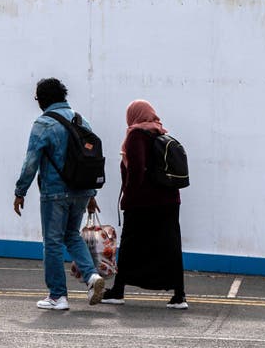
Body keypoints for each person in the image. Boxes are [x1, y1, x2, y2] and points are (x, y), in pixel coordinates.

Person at [14, 78, 105, 311]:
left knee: (52, 242)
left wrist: (20, 191)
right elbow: (90, 160)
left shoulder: (43, 124)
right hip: (82, 191)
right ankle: (92, 277)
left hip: (55, 192)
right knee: (71, 235)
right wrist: (91, 194)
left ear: (42, 100)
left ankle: (58, 296)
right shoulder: (81, 119)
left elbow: (31, 162)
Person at [101, 99, 187, 309]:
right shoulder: (160, 132)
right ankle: (179, 295)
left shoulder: (136, 135)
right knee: (170, 246)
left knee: (130, 246)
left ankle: (118, 291)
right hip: (169, 200)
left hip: (143, 203)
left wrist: (128, 197)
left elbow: (137, 170)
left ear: (133, 116)